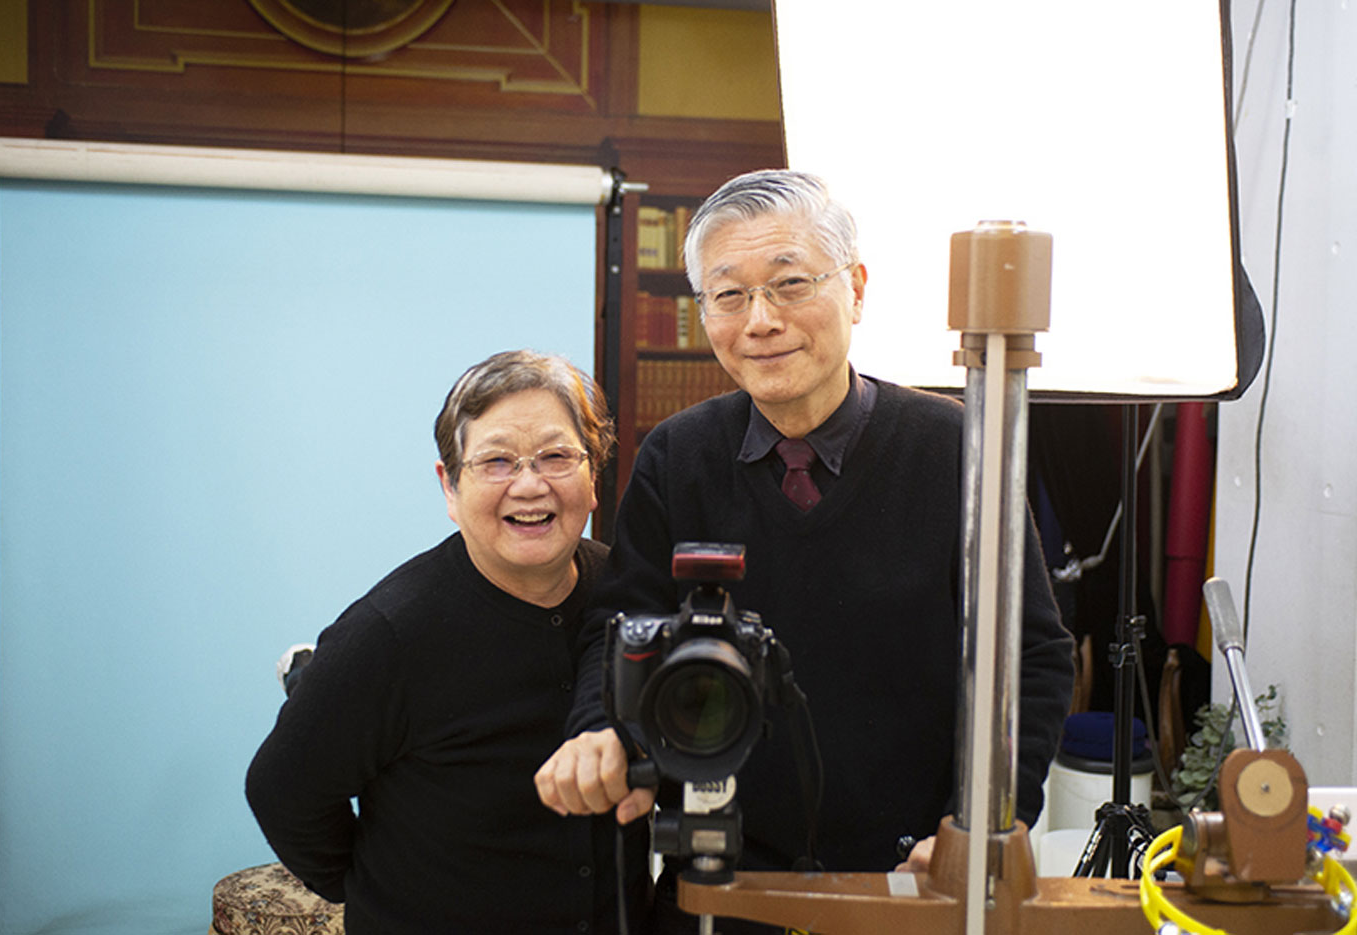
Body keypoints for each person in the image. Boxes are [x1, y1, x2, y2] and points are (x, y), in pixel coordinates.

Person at [534, 170, 1075, 932]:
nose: (760, 320)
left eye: (789, 283)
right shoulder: (676, 456)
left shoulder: (958, 450)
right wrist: (597, 727)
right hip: (719, 886)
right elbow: (621, 625)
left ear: (855, 287)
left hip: (910, 884)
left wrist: (976, 828)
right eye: (728, 295)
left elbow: (1034, 657)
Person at [246, 350, 650, 935]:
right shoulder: (387, 634)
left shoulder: (625, 594)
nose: (530, 484)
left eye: (557, 457)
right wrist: (373, 887)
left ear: (594, 480)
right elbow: (282, 792)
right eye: (497, 461)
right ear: (449, 485)